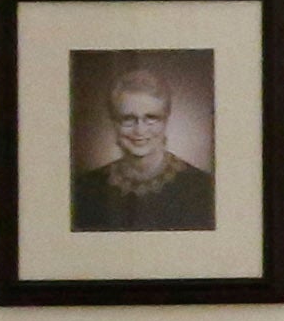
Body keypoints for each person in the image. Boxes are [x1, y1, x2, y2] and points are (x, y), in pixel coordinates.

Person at [70, 64, 216, 233]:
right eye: (128, 119)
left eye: (151, 118)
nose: (140, 130)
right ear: (114, 123)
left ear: (165, 121)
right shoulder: (83, 190)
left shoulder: (203, 188)